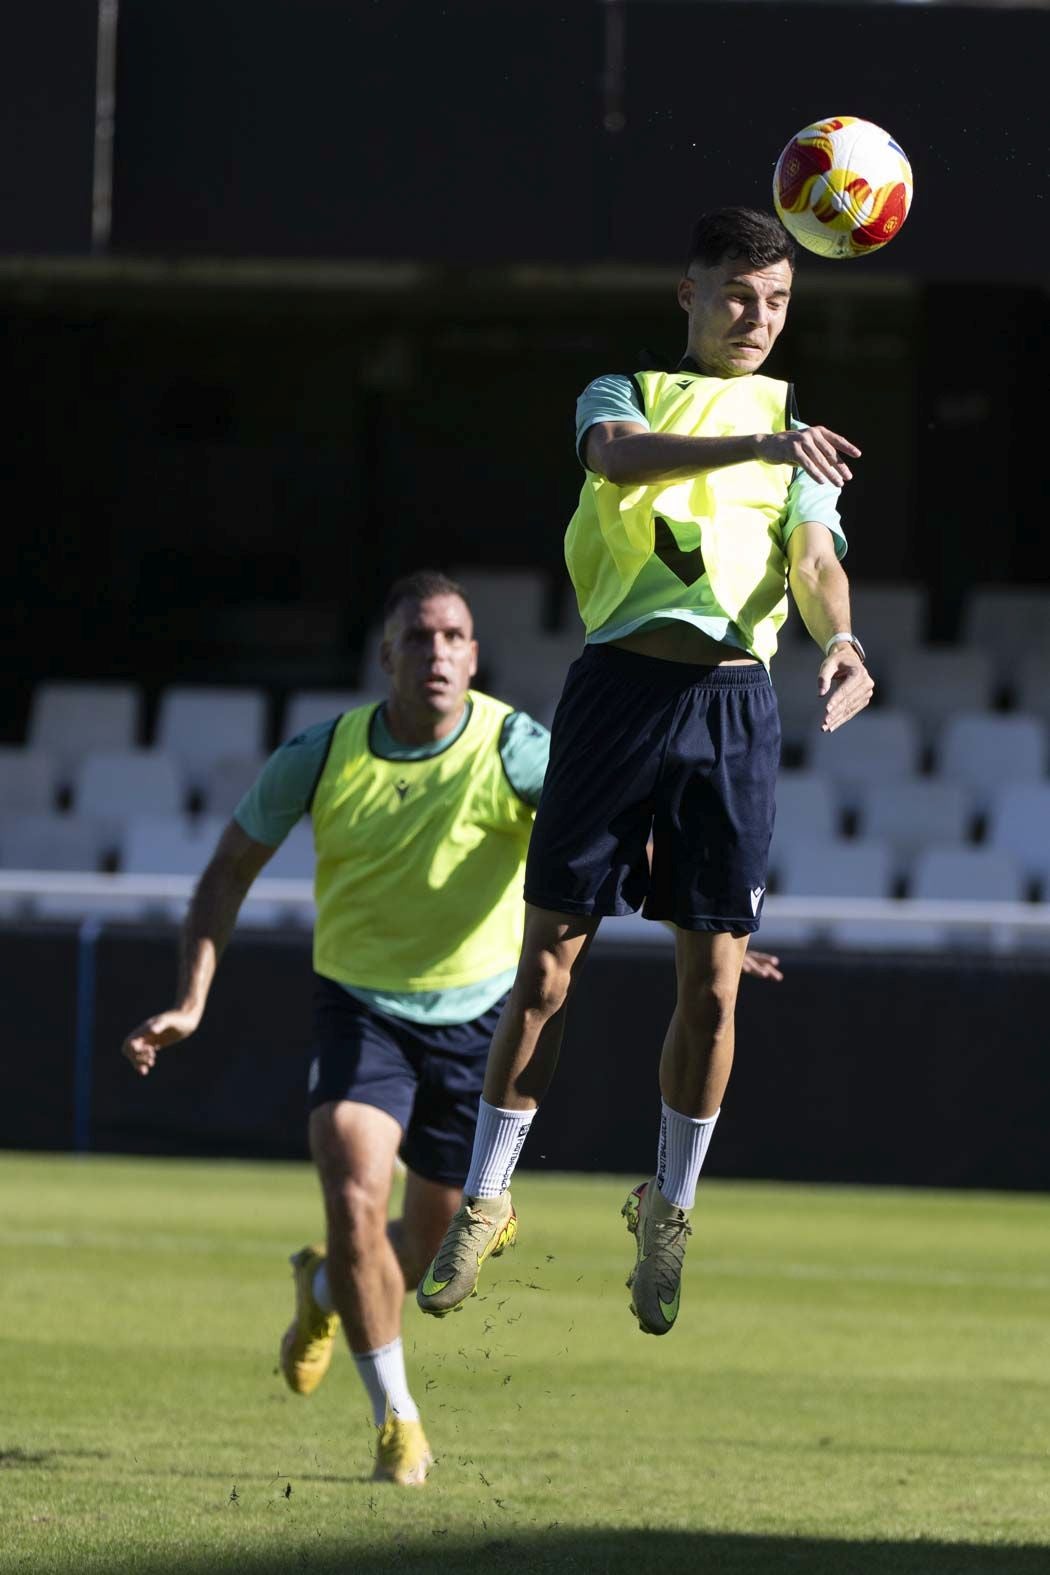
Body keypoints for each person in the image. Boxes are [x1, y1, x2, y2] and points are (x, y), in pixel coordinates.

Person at [417, 207, 874, 1339]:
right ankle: (486, 1198)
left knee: (711, 990)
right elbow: (616, 462)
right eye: (735, 295)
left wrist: (847, 641)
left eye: (775, 302)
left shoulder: (798, 434)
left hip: (731, 707)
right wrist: (756, 447)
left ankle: (667, 1212)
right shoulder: (620, 390)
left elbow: (812, 557)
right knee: (547, 974)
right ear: (687, 293)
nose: (756, 319)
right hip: (617, 693)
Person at [119, 570, 551, 1487]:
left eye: (455, 637)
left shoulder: (515, 746)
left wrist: (699, 929)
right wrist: (193, 998)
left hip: (479, 1019)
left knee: (430, 1257)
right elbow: (225, 874)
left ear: (475, 654)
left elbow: (606, 835)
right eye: (420, 637)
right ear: (386, 654)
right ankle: (398, 1419)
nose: (438, 653)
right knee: (355, 1194)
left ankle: (321, 1288)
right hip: (360, 1011)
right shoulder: (320, 755)